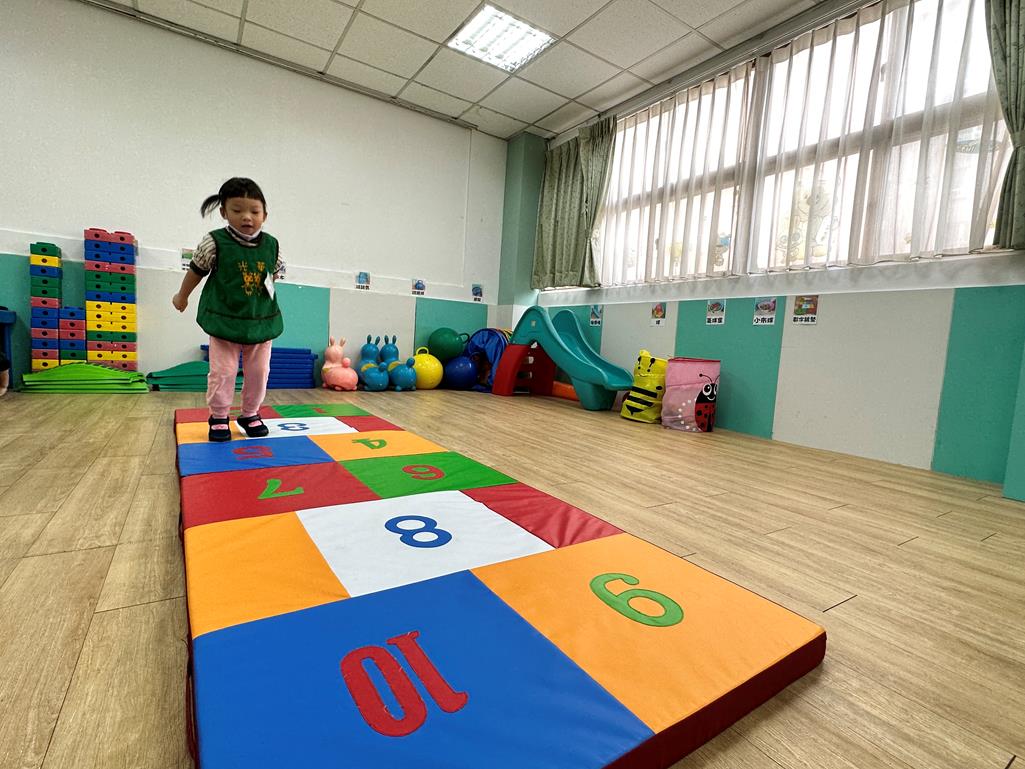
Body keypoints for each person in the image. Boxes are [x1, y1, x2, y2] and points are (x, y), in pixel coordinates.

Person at [172, 178, 285, 442]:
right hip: (224, 321)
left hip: (259, 322)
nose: (247, 217)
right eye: (237, 210)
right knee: (223, 372)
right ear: (224, 212)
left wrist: (262, 298)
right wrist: (182, 296)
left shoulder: (272, 245)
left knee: (259, 372)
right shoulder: (215, 242)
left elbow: (274, 275)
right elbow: (196, 271)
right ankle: (219, 416)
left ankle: (250, 413)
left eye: (254, 211)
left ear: (264, 215)